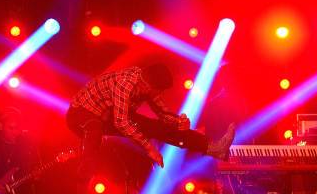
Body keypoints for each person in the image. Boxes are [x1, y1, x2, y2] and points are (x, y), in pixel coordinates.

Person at [66, 64, 235, 171]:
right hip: (80, 114)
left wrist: (177, 122)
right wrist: (149, 148)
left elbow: (162, 113)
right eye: (158, 91)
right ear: (148, 86)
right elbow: (121, 121)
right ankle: (85, 169)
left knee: (154, 127)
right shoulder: (124, 84)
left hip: (108, 114)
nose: (159, 95)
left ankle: (212, 148)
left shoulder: (146, 85)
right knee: (94, 126)